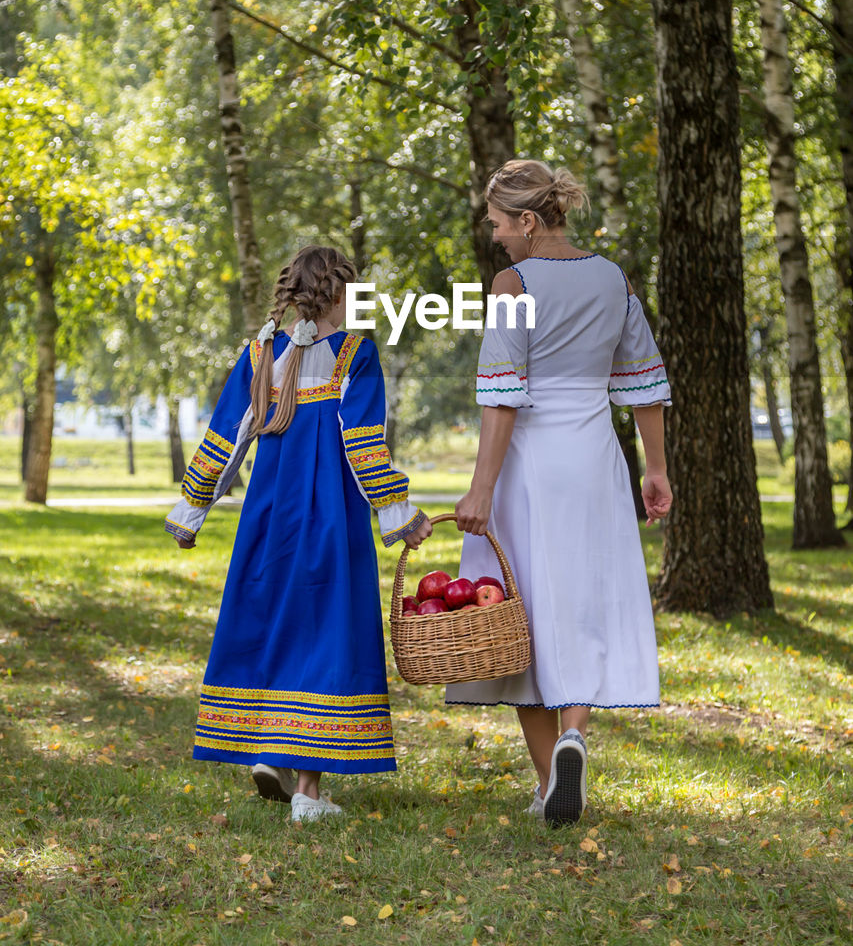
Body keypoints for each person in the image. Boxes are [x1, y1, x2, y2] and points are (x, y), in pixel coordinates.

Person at [164, 245, 431, 822]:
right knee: (326, 630)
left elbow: (225, 438)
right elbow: (364, 443)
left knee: (277, 624)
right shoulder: (353, 353)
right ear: (339, 294)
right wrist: (400, 515)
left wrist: (192, 511)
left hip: (269, 519)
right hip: (330, 519)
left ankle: (269, 749)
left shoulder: (262, 352)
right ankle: (307, 791)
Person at [446, 159, 672, 827]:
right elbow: (643, 381)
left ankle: (549, 781)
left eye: (497, 224)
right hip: (596, 457)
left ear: (527, 221)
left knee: (518, 612)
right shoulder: (613, 279)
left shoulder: (512, 283)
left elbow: (501, 393)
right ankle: (573, 736)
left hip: (532, 462)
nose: (494, 237)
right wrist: (654, 469)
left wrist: (480, 489)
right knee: (584, 602)